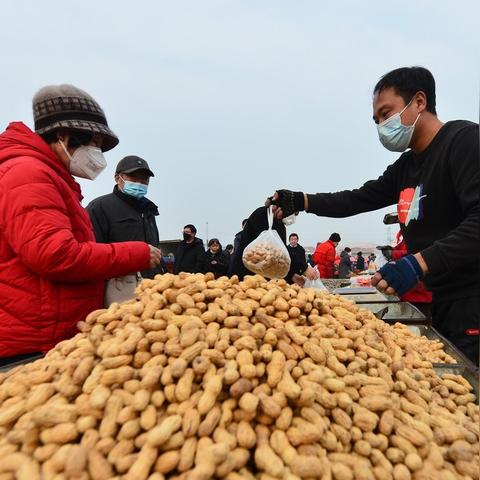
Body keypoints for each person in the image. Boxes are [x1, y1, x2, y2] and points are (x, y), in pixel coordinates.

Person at [267, 66, 479, 364]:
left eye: (386, 113)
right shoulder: (406, 167)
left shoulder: (464, 141)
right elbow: (358, 198)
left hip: (471, 300)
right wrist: (302, 201)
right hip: (442, 300)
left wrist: (417, 263)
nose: (381, 125)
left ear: (419, 102)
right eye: (376, 120)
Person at [0, 84, 161, 360]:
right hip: (30, 343)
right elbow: (56, 255)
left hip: (46, 335)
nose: (98, 156)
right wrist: (136, 253)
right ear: (63, 136)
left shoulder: (48, 176)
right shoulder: (28, 174)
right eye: (94, 145)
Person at [86, 155, 161, 280]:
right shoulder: (99, 207)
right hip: (118, 285)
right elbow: (93, 253)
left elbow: (155, 247)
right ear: (117, 178)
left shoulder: (149, 209)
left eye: (144, 179)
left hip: (151, 286)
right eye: (133, 177)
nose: (139, 182)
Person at [229, 207, 287, 280]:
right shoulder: (262, 215)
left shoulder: (280, 224)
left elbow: (283, 253)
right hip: (245, 274)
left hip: (265, 277)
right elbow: (266, 253)